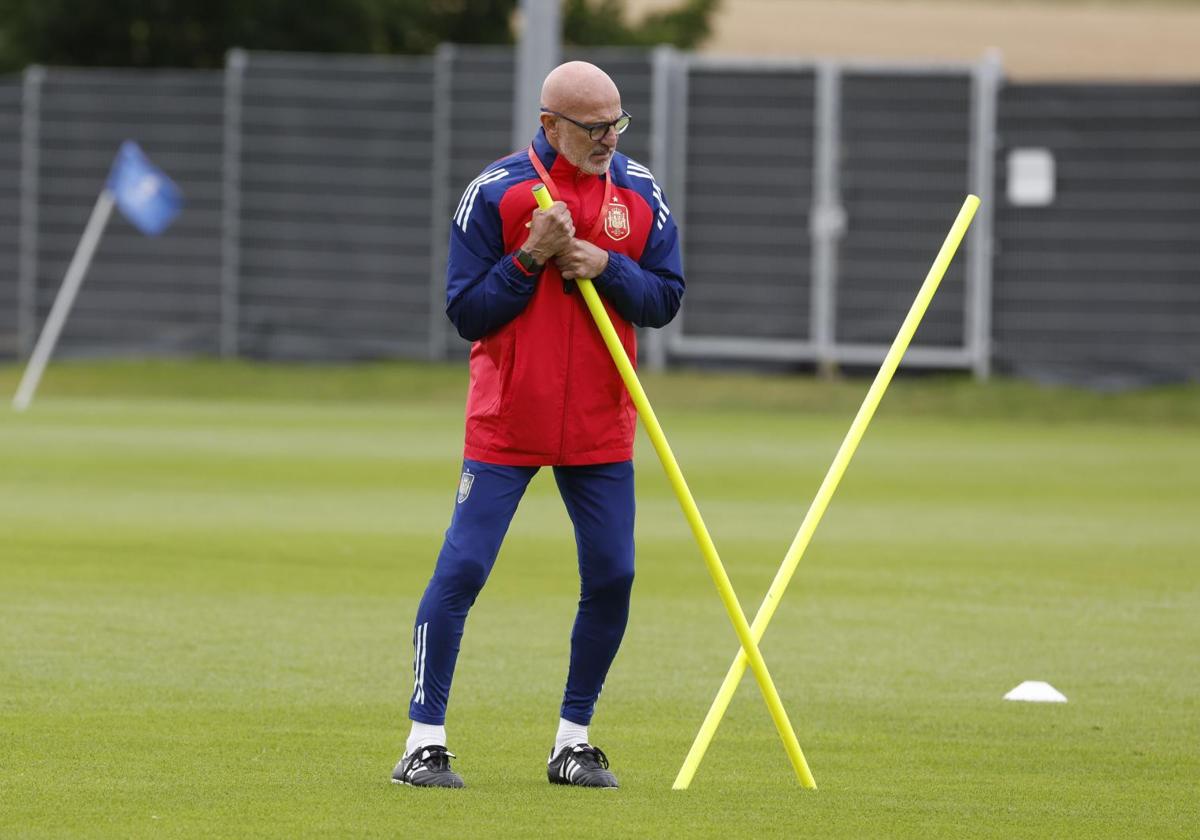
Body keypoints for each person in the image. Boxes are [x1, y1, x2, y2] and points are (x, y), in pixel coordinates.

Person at [392, 60, 684, 789]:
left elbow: (665, 298)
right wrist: (529, 257)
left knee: (614, 575)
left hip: (599, 424)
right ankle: (423, 740)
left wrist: (604, 264)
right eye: (592, 127)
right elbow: (466, 312)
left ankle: (573, 741)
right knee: (463, 569)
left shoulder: (641, 193)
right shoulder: (493, 193)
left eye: (617, 123)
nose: (607, 138)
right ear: (549, 123)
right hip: (507, 421)